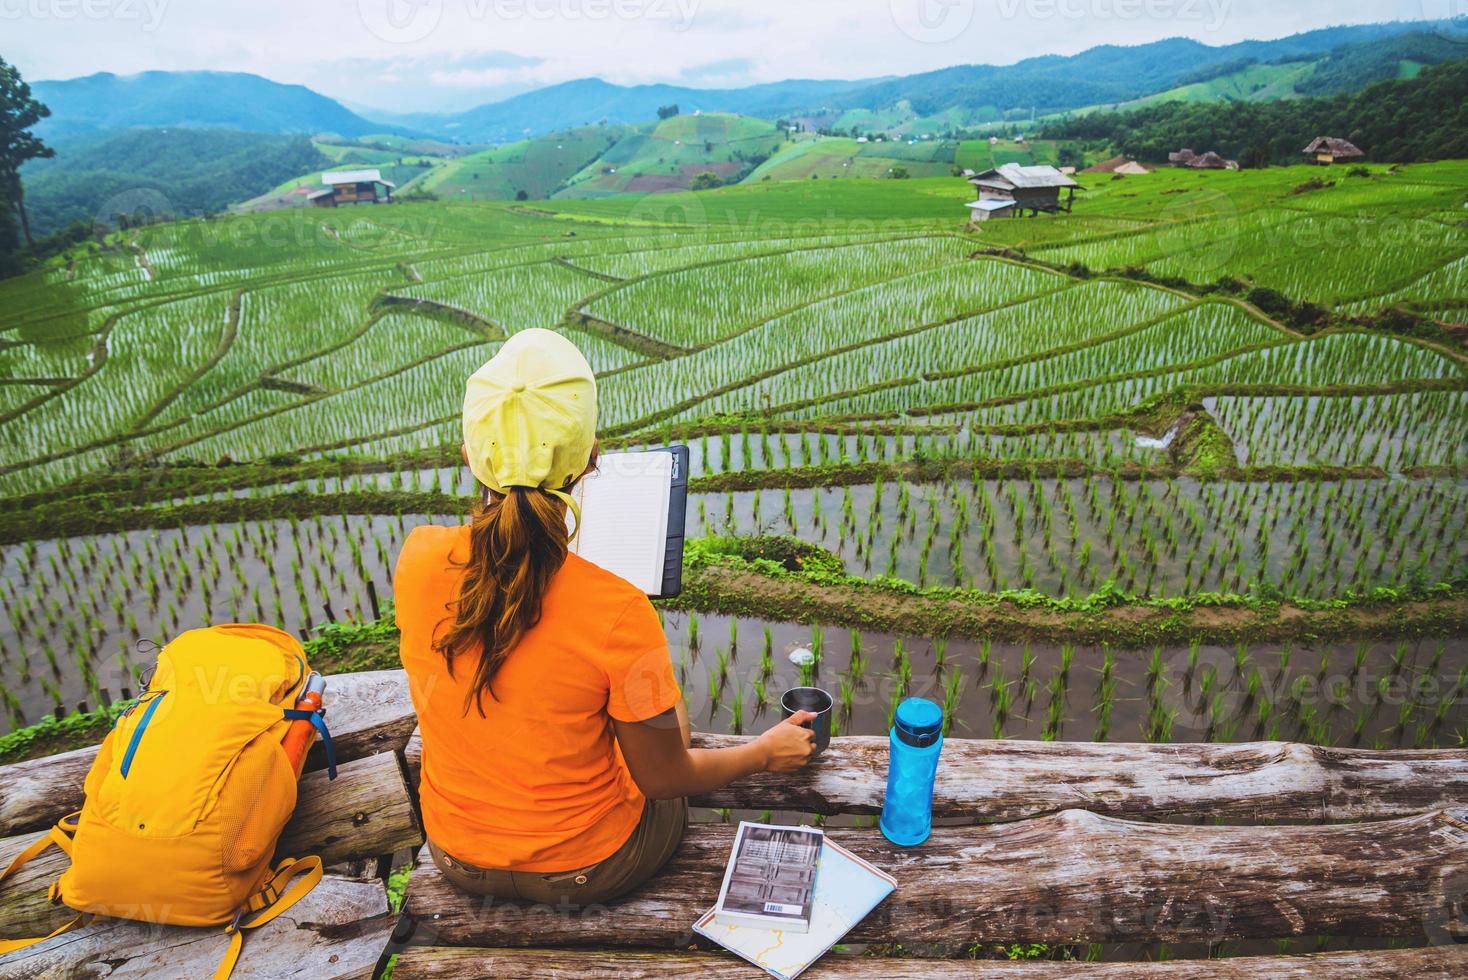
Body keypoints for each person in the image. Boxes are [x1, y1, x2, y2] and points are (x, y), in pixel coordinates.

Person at [394, 328, 816, 906]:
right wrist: (765, 753)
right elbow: (662, 781)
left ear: (470, 455)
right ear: (592, 458)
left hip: (454, 855)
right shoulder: (617, 608)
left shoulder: (417, 558)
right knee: (668, 736)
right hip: (587, 869)